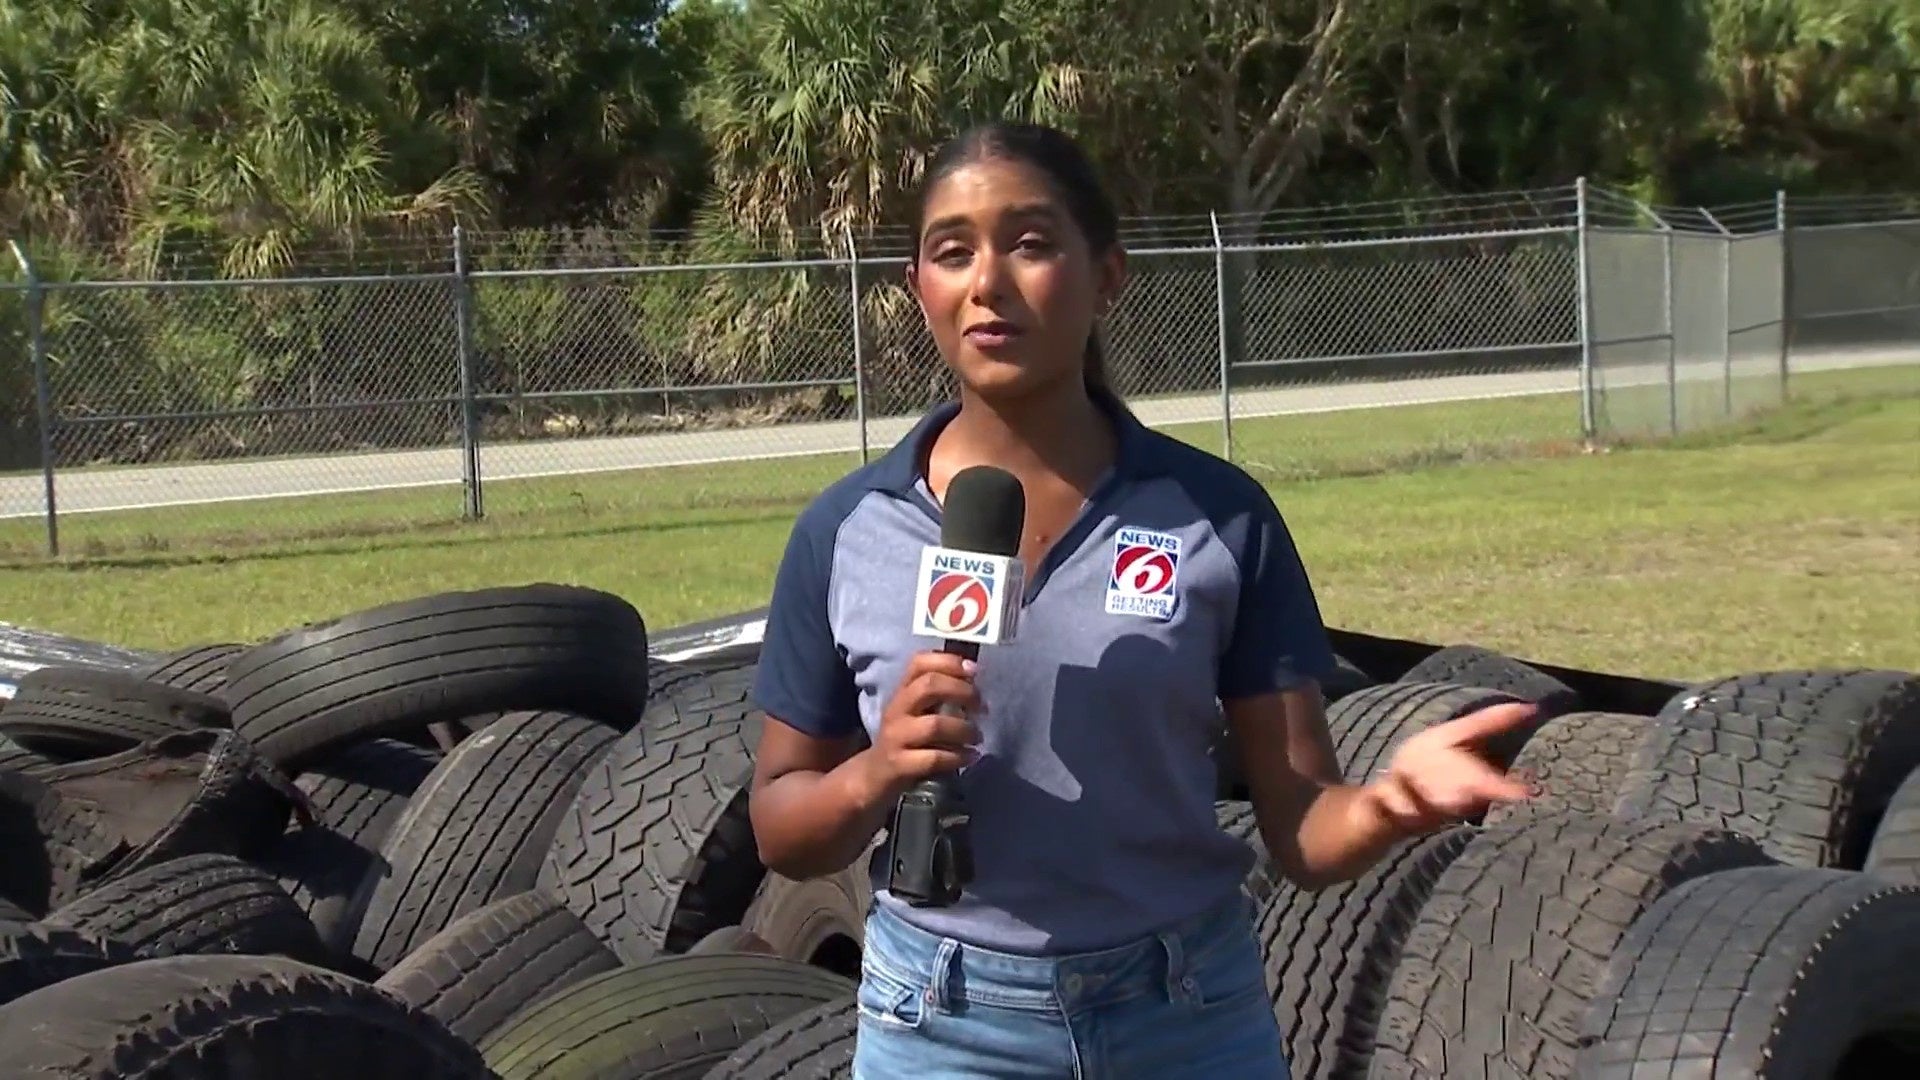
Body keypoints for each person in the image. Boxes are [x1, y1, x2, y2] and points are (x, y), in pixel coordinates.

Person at [746, 120, 1538, 1079]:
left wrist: (1387, 805)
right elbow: (782, 826)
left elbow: (1302, 827)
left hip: (1185, 1014)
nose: (988, 281)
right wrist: (878, 771)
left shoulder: (1219, 517)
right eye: (952, 253)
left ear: (1107, 276)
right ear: (920, 290)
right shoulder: (846, 531)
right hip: (942, 1023)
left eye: (1030, 243)